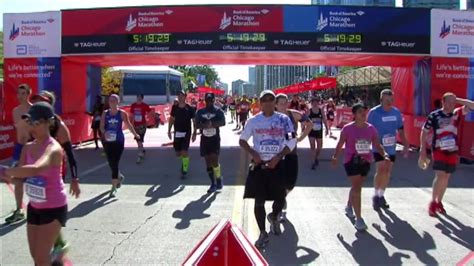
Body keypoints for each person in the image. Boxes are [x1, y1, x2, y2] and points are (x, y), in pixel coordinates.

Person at [0, 102, 75, 265]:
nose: (32, 127)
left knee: (41, 259)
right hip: (34, 207)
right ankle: (58, 262)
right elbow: (21, 177)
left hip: (54, 208)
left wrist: (5, 171)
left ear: (48, 122)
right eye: (29, 123)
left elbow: (35, 169)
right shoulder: (27, 148)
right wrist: (6, 177)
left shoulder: (53, 148)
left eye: (36, 123)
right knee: (36, 257)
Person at [240, 90, 296, 249]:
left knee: (280, 198)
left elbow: (292, 140)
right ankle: (263, 233)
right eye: (264, 100)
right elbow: (242, 140)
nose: (268, 102)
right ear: (260, 103)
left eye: (271, 99)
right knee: (259, 200)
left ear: (274, 102)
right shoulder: (253, 121)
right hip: (259, 166)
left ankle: (273, 215)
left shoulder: (283, 119)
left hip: (278, 165)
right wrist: (253, 154)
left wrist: (278, 157)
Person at [30, 91, 82, 260]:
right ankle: (58, 243)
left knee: (49, 205)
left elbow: (70, 153)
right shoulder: (31, 122)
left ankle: (58, 245)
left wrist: (75, 179)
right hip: (37, 172)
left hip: (54, 169)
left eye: (41, 102)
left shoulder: (58, 125)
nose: (36, 104)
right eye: (35, 101)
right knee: (40, 205)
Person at [331, 103, 390, 231]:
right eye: (360, 112)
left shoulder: (371, 128)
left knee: (357, 186)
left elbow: (377, 144)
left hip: (365, 161)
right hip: (351, 160)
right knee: (357, 188)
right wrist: (335, 157)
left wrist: (384, 154)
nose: (363, 114)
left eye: (364, 111)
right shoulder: (347, 129)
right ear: (354, 114)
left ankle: (348, 206)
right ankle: (359, 219)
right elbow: (340, 143)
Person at [419, 93, 473, 217]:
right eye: (448, 102)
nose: (451, 105)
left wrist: (458, 99)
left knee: (446, 177)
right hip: (438, 149)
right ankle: (433, 202)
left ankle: (439, 201)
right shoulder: (434, 115)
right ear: (443, 102)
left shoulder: (457, 113)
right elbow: (424, 131)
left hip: (453, 150)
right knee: (440, 175)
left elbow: (473, 106)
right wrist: (422, 149)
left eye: (453, 102)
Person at [367, 89, 409, 211]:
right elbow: (367, 130)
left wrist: (406, 145)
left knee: (387, 172)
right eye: (386, 100)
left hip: (391, 147)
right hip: (378, 146)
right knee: (381, 169)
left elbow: (401, 130)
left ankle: (381, 195)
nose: (389, 102)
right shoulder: (374, 113)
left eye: (391, 100)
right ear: (381, 100)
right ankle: (376, 195)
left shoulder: (396, 113)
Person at [275, 93, 312, 221]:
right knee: (278, 182)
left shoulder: (293, 114)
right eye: (281, 103)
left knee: (290, 183)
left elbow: (310, 124)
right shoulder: (271, 117)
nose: (284, 105)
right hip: (276, 155)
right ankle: (279, 209)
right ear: (276, 104)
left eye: (286, 102)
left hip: (291, 153)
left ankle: (283, 197)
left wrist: (301, 137)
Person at [100, 94, 140, 198]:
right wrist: (105, 133)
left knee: (115, 162)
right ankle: (119, 177)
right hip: (108, 141)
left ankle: (113, 188)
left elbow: (128, 125)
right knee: (111, 162)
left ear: (118, 102)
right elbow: (101, 127)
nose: (112, 102)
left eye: (114, 100)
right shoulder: (105, 113)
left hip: (118, 141)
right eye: (110, 101)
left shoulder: (122, 113)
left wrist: (135, 134)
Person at [4, 84, 33, 224]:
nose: (20, 96)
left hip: (33, 148)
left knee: (36, 179)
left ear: (28, 94)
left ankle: (38, 207)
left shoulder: (34, 109)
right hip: (19, 148)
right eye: (19, 93)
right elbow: (19, 126)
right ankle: (19, 209)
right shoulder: (16, 110)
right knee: (18, 180)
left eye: (23, 93)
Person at [195, 93, 226, 193]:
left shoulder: (218, 111)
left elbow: (223, 122)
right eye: (207, 100)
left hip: (215, 139)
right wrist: (204, 125)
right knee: (208, 161)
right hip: (205, 139)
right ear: (205, 101)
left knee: (214, 160)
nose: (209, 102)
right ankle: (213, 183)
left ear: (213, 100)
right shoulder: (200, 112)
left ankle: (218, 178)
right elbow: (196, 124)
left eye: (211, 100)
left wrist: (212, 124)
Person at [168, 90, 197, 179]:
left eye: (182, 95)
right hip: (177, 132)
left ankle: (185, 169)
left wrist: (194, 133)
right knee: (178, 153)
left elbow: (194, 121)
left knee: (184, 151)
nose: (181, 97)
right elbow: (171, 119)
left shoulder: (190, 108)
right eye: (179, 95)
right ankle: (184, 161)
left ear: (185, 96)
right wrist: (169, 130)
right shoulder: (175, 107)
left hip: (186, 133)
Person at [308, 97, 329, 169]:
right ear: (311, 103)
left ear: (318, 102)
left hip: (319, 131)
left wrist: (327, 129)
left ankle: (316, 157)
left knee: (320, 147)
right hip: (311, 130)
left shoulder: (321, 111)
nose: (314, 103)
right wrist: (304, 128)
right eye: (313, 102)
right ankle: (313, 162)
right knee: (312, 146)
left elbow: (325, 120)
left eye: (316, 102)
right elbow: (305, 120)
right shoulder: (309, 111)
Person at [130, 94, 152, 164]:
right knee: (138, 140)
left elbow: (151, 112)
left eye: (140, 98)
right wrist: (131, 124)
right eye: (138, 97)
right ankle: (142, 149)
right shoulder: (133, 105)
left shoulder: (145, 105)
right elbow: (131, 115)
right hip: (135, 126)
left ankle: (139, 155)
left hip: (142, 126)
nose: (138, 99)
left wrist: (156, 119)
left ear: (142, 99)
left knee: (139, 140)